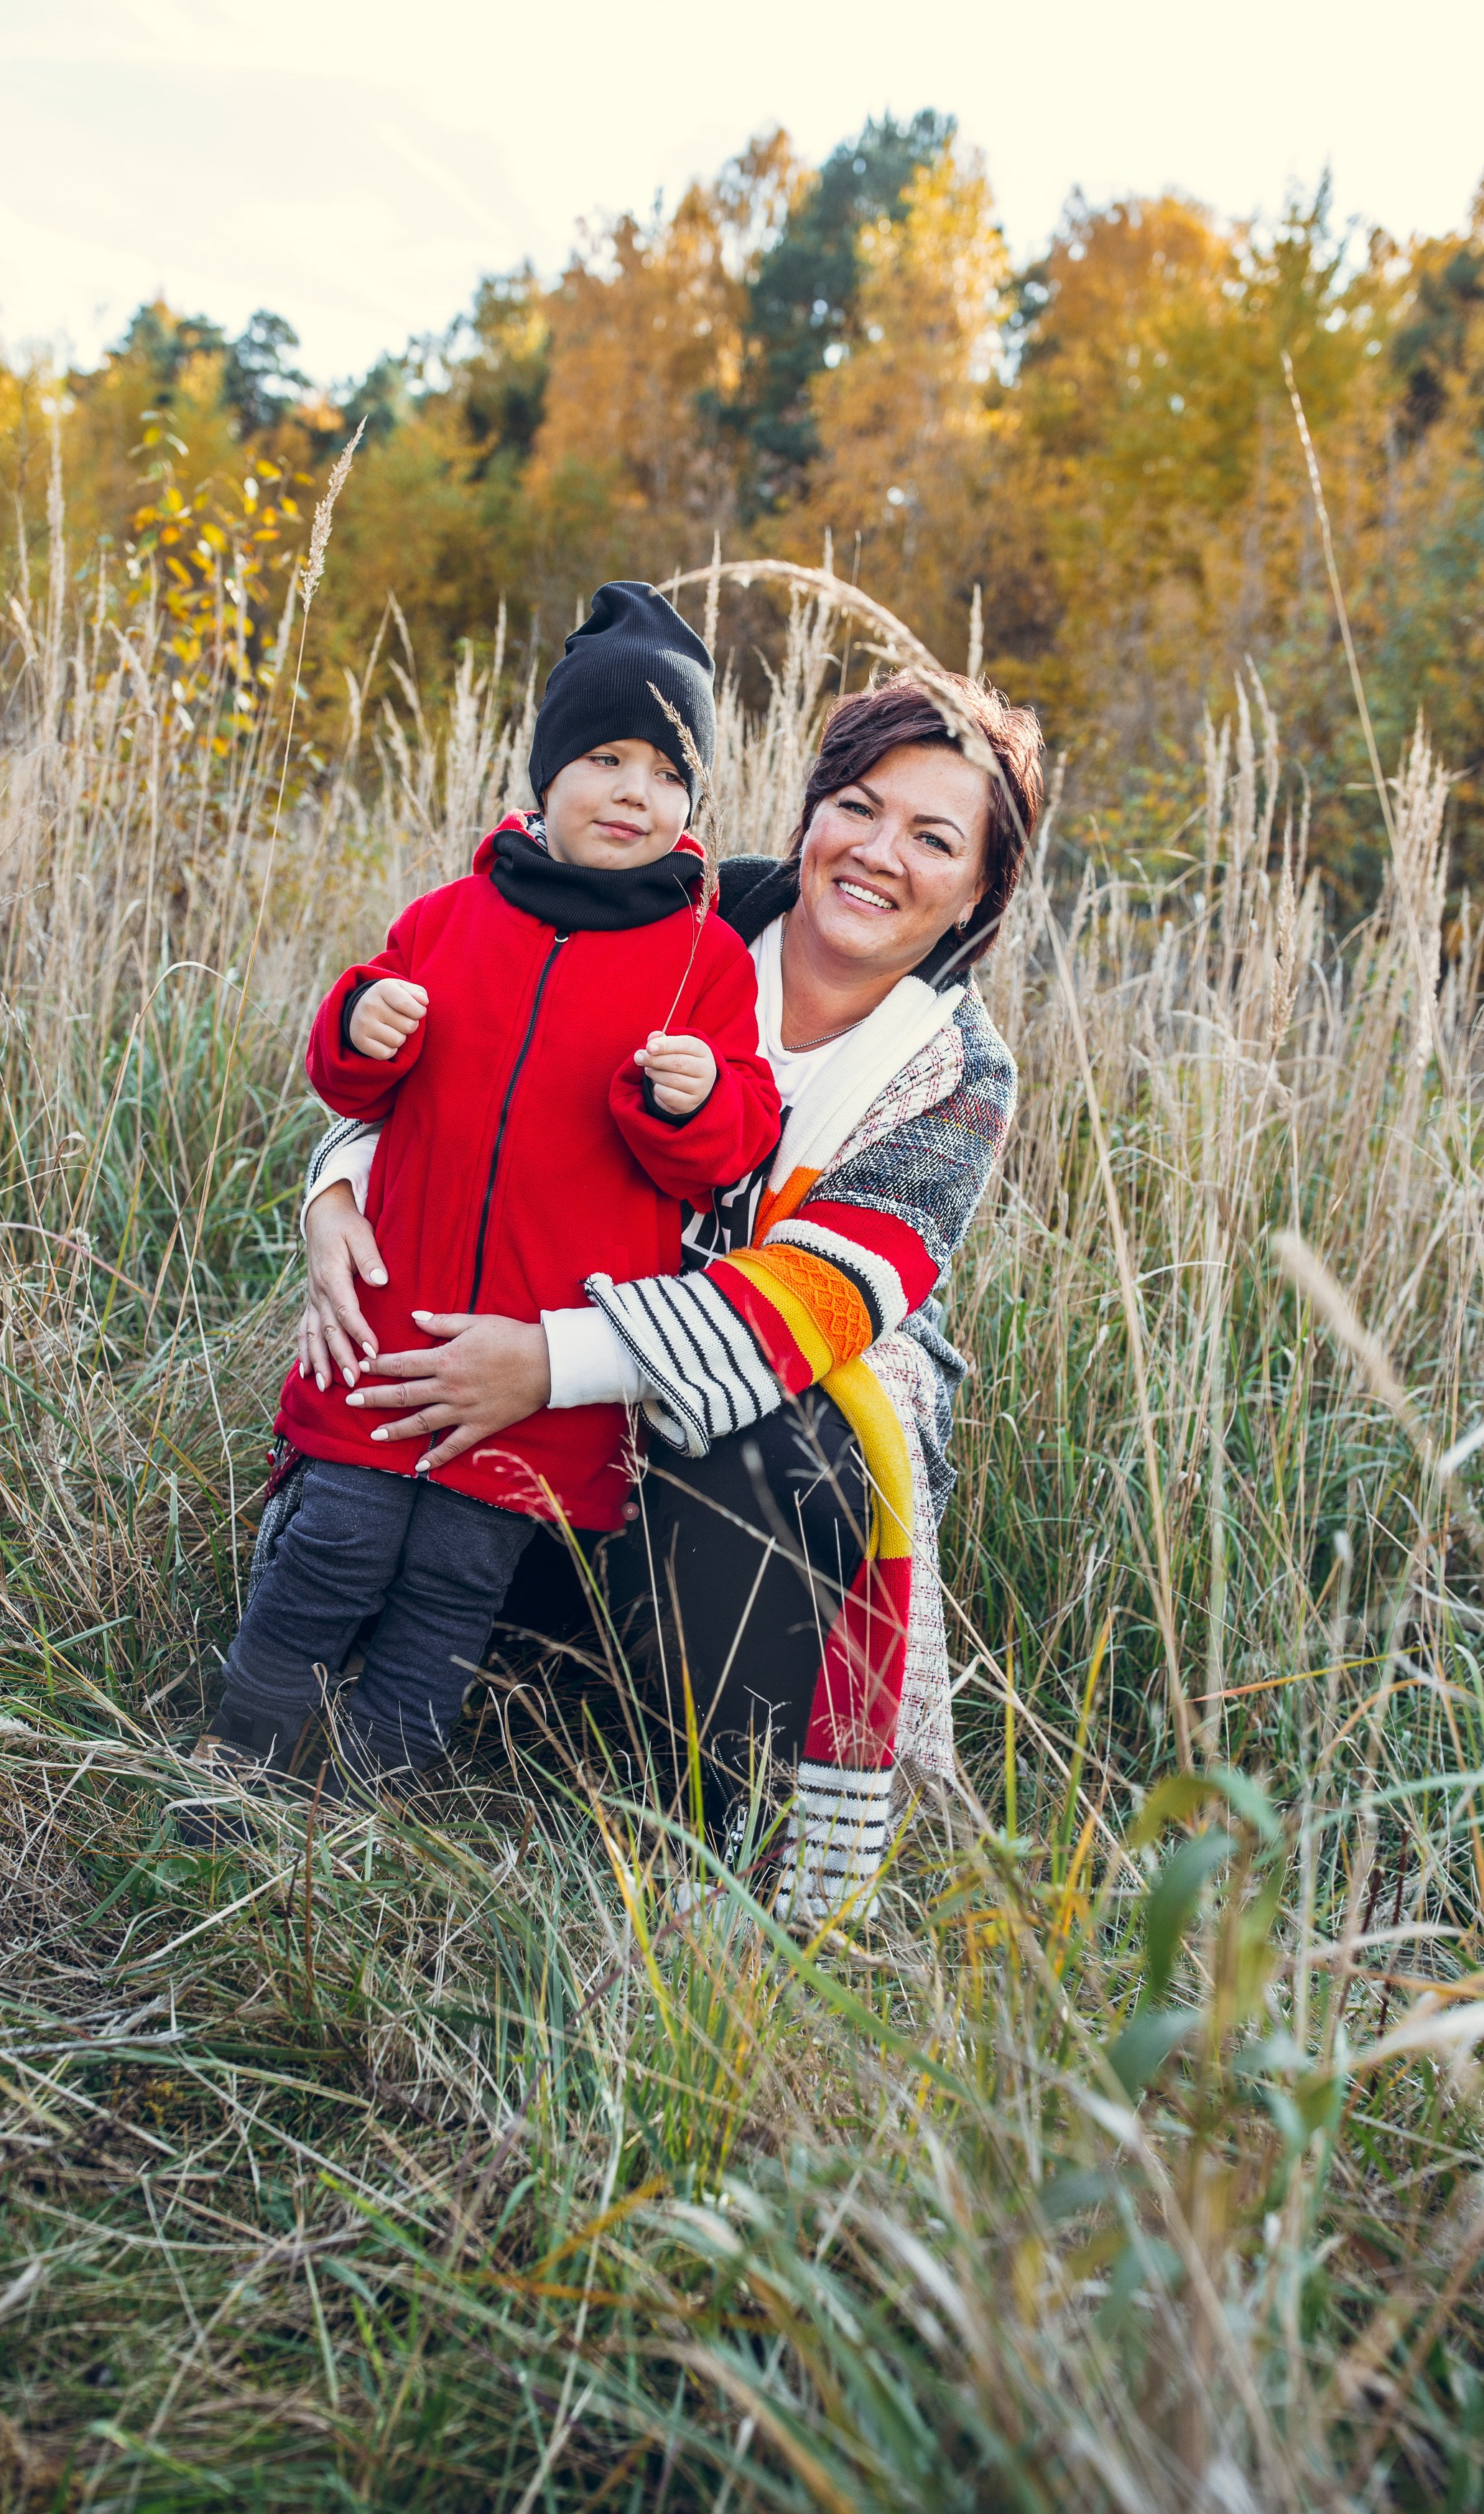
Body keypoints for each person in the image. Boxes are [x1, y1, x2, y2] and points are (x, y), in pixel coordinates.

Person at [291, 669, 1043, 1917]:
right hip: (524, 1424)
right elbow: (466, 1051)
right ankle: (392, 1655)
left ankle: (715, 1806)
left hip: (703, 1470)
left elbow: (817, 1296)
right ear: (808, 815)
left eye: (933, 838)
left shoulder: (954, 1069)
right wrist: (337, 1185)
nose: (876, 855)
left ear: (980, 891)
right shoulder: (672, 914)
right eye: (855, 806)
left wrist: (543, 1361)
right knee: (380, 1456)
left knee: (798, 1432)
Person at [187, 584, 779, 1811]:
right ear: (545, 775)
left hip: (541, 1375)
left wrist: (689, 1101)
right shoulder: (449, 919)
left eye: (667, 772)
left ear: (692, 803)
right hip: (391, 1334)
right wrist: (362, 1018)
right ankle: (237, 1768)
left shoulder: (704, 960)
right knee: (329, 1553)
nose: (633, 791)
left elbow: (730, 1151)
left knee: (455, 1588)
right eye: (604, 757)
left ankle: (366, 1806)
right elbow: (345, 1081)